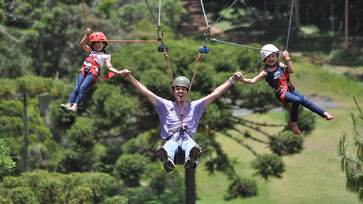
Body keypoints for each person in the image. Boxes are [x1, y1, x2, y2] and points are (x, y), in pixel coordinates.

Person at [122, 71, 243, 172]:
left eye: (183, 89)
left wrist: (231, 80)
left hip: (187, 140)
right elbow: (146, 92)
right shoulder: (165, 105)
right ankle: (167, 159)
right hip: (171, 139)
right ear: (173, 92)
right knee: (169, 146)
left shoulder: (195, 106)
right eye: (177, 89)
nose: (180, 91)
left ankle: (190, 159)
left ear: (187, 92)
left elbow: (215, 94)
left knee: (191, 146)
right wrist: (130, 78)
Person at [238, 44, 334, 134]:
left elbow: (291, 70)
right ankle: (293, 123)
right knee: (297, 100)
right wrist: (242, 79)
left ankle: (324, 113)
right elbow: (252, 81)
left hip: (290, 88)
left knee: (304, 101)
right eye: (269, 57)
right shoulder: (265, 72)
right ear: (264, 58)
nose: (271, 58)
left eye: (273, 56)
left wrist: (287, 59)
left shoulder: (280, 65)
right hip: (281, 93)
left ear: (277, 57)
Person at [60, 28, 129, 113]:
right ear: (92, 45)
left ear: (104, 44)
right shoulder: (90, 51)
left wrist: (118, 72)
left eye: (100, 42)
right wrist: (87, 35)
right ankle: (68, 105)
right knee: (76, 88)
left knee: (82, 89)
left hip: (92, 73)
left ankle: (75, 106)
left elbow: (109, 67)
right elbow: (82, 44)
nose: (98, 45)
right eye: (95, 43)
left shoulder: (105, 56)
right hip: (83, 70)